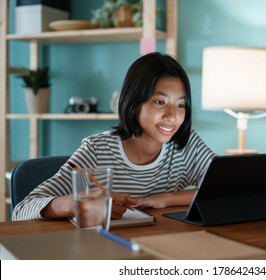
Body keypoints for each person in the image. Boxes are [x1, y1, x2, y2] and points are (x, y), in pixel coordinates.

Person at [12, 52, 216, 221]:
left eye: (180, 105)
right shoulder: (96, 150)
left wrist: (165, 199)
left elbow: (231, 193)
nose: (172, 116)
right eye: (160, 102)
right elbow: (22, 210)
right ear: (134, 103)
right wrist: (76, 204)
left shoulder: (188, 144)